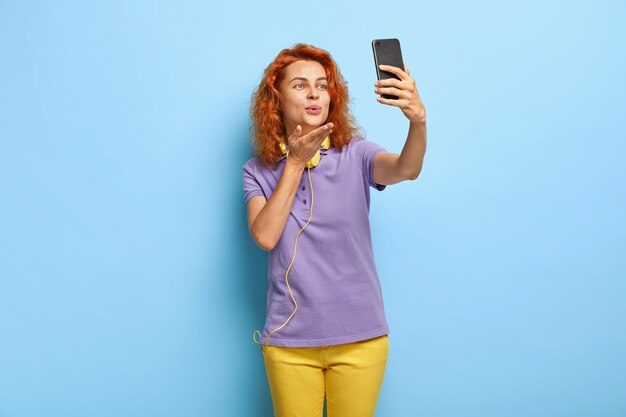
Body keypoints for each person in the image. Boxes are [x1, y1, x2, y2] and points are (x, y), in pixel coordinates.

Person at [242, 43, 426, 417]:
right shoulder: (257, 170)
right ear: (275, 99)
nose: (313, 93)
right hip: (289, 343)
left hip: (361, 339)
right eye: (300, 85)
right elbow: (264, 236)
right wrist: (293, 163)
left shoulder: (356, 153)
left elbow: (406, 169)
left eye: (322, 85)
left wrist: (417, 121)